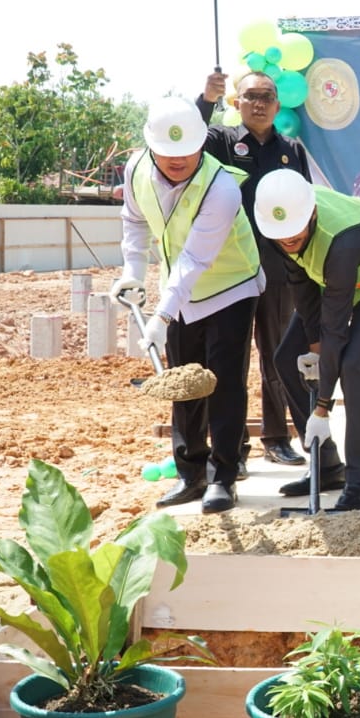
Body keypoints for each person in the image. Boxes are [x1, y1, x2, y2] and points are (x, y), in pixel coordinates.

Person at [110, 97, 262, 514]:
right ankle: (190, 473)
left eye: (187, 152)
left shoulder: (222, 187)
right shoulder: (137, 170)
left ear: (201, 145)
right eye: (168, 153)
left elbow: (196, 258)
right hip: (178, 292)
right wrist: (133, 273)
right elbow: (134, 223)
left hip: (230, 285)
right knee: (181, 382)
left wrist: (160, 315)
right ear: (150, 147)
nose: (178, 161)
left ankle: (224, 477)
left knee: (223, 382)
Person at [253, 169, 360, 511]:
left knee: (353, 367)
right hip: (329, 280)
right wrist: (313, 345)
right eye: (280, 235)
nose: (287, 239)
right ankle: (327, 467)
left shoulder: (340, 240)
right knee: (286, 358)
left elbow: (336, 330)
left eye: (294, 231)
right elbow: (302, 284)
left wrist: (322, 407)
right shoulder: (279, 225)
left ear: (311, 214)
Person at [197, 69, 310, 469]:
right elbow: (189, 140)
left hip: (278, 269)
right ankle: (233, 447)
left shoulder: (292, 149)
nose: (259, 103)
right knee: (229, 360)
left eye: (267, 96)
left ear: (278, 105)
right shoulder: (220, 142)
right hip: (229, 269)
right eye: (250, 96)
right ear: (236, 103)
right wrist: (206, 99)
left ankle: (278, 438)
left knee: (278, 355)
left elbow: (306, 207)